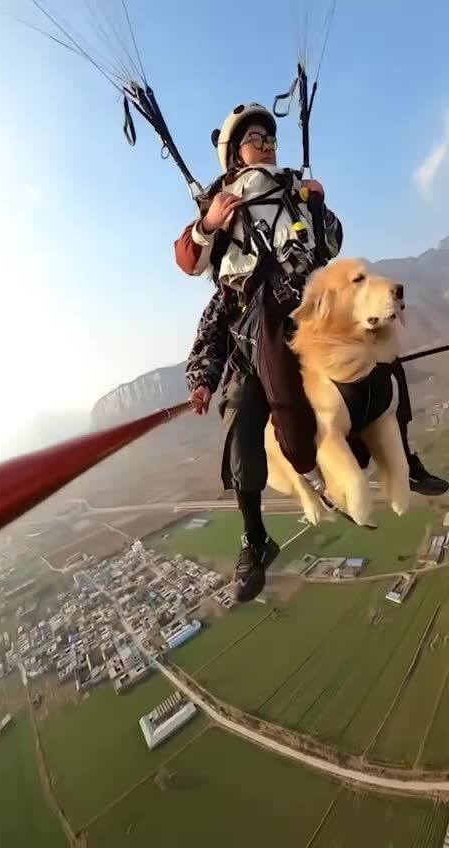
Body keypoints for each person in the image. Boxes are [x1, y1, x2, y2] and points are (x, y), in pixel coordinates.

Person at [175, 103, 448, 603]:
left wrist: (319, 206)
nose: (268, 142)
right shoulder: (222, 211)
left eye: (269, 136)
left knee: (381, 343)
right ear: (236, 153)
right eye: (256, 137)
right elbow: (195, 275)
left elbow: (332, 243)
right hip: (257, 331)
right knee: (241, 416)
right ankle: (254, 537)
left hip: (311, 304)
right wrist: (209, 224)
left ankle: (403, 457)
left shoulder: (296, 193)